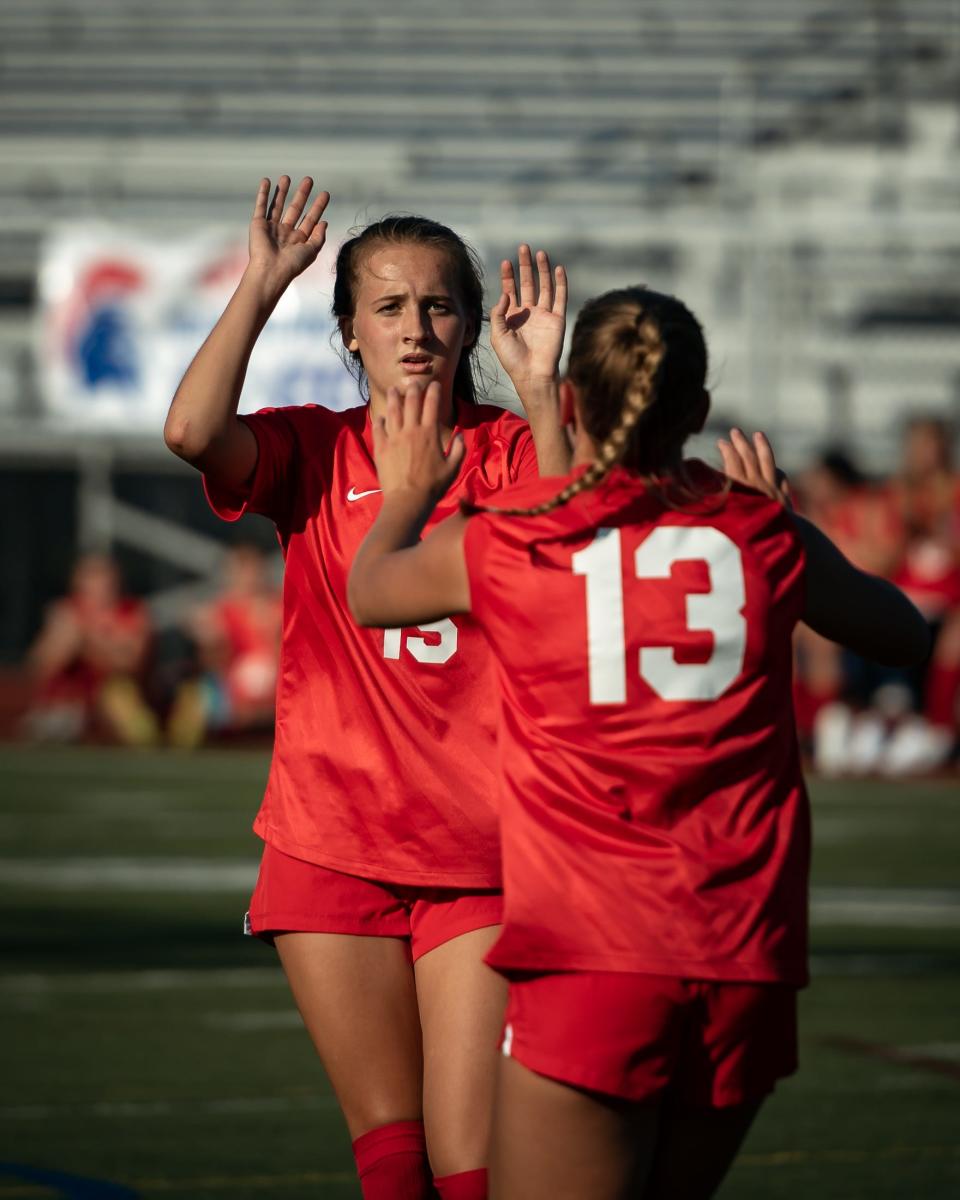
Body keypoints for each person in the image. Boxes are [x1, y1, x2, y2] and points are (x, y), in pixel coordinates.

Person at [347, 287, 930, 1200]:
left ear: (572, 401)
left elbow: (373, 591)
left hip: (596, 953)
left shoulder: (513, 537)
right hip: (744, 958)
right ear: (697, 413)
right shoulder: (762, 534)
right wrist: (776, 524)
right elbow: (904, 631)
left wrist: (409, 495)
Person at [163, 174, 570, 1200]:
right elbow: (189, 433)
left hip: (478, 852)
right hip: (328, 844)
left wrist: (540, 389)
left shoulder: (515, 448)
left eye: (439, 304)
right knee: (391, 1166)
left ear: (473, 319)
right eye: (388, 305)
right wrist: (259, 284)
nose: (416, 326)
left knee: (470, 1167)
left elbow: (582, 545)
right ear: (350, 327)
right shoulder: (315, 446)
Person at [25, 552, 158, 746]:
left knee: (124, 704)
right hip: (69, 703)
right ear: (78, 581)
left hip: (114, 700)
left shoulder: (133, 612)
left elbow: (131, 665)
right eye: (93, 576)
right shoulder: (66, 611)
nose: (102, 584)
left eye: (105, 576)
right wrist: (63, 641)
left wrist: (87, 640)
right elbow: (38, 667)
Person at [168, 542, 282, 748]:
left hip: (275, 686)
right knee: (196, 696)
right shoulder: (224, 609)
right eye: (242, 570)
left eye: (252, 570)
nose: (248, 577)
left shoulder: (278, 605)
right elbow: (199, 629)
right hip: (231, 687)